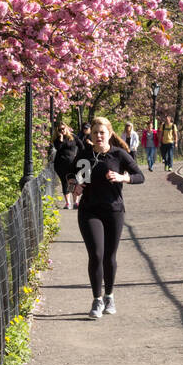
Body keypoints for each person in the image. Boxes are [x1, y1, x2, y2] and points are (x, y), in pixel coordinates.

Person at [69, 116, 144, 319]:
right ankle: (97, 300)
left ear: (110, 134)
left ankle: (109, 295)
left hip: (113, 211)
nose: (99, 136)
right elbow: (71, 176)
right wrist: (74, 187)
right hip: (89, 211)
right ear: (91, 136)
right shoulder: (84, 155)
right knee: (96, 254)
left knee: (109, 256)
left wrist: (123, 177)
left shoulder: (119, 155)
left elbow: (140, 176)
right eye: (95, 133)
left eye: (102, 132)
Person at [52, 125, 81, 210]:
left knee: (73, 182)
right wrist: (60, 139)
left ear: (67, 128)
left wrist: (79, 156)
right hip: (60, 164)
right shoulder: (57, 139)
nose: (62, 131)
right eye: (59, 129)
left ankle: (76, 202)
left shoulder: (73, 137)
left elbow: (82, 146)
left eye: (63, 129)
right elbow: (58, 148)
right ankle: (68, 203)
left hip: (72, 163)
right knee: (65, 182)